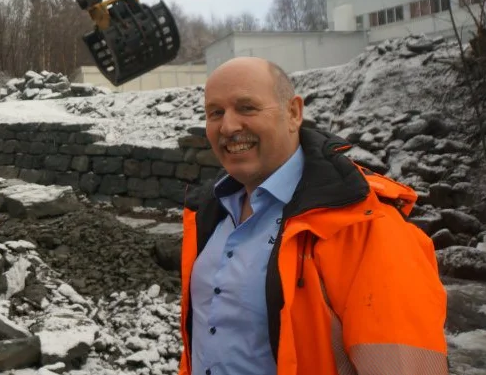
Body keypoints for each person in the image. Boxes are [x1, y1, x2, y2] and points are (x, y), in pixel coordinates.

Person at [179, 56, 449, 375]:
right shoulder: (207, 214)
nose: (228, 126)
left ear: (293, 113)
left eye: (247, 107)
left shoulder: (367, 227)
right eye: (216, 113)